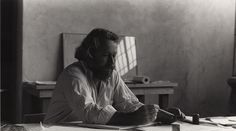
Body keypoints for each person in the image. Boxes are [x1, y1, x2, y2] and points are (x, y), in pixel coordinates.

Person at [44, 28, 185, 125]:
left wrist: (157, 114)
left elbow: (129, 103)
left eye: (114, 56)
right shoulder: (73, 75)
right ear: (90, 53)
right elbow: (89, 112)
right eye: (106, 55)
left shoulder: (112, 75)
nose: (112, 62)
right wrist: (132, 119)